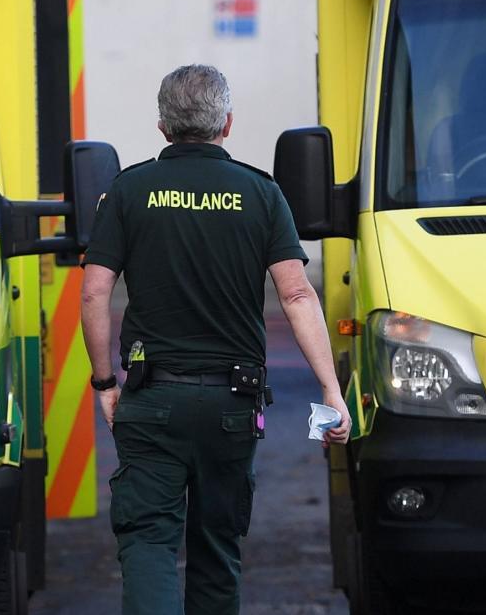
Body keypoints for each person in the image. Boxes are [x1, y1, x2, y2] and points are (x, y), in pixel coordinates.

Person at [80, 64, 351, 615]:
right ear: (227, 123)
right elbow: (298, 296)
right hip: (233, 404)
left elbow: (93, 294)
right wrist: (330, 389)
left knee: (149, 541)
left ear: (162, 125)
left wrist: (105, 381)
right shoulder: (261, 193)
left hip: (151, 400)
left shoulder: (129, 190)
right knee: (217, 548)